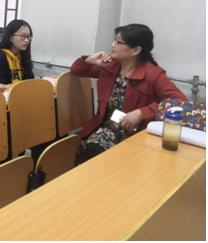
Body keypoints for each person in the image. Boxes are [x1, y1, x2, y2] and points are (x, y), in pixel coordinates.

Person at [71, 23, 187, 162]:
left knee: (93, 153)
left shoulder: (152, 74)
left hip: (132, 133)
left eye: (118, 42)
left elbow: (181, 103)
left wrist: (143, 112)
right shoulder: (110, 66)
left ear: (136, 50)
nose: (112, 45)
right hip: (104, 127)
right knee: (84, 151)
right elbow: (76, 70)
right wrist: (90, 60)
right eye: (115, 40)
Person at [0, 19, 35, 84]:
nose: (26, 40)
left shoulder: (22, 56)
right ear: (10, 37)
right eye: (23, 36)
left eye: (28, 36)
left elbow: (31, 82)